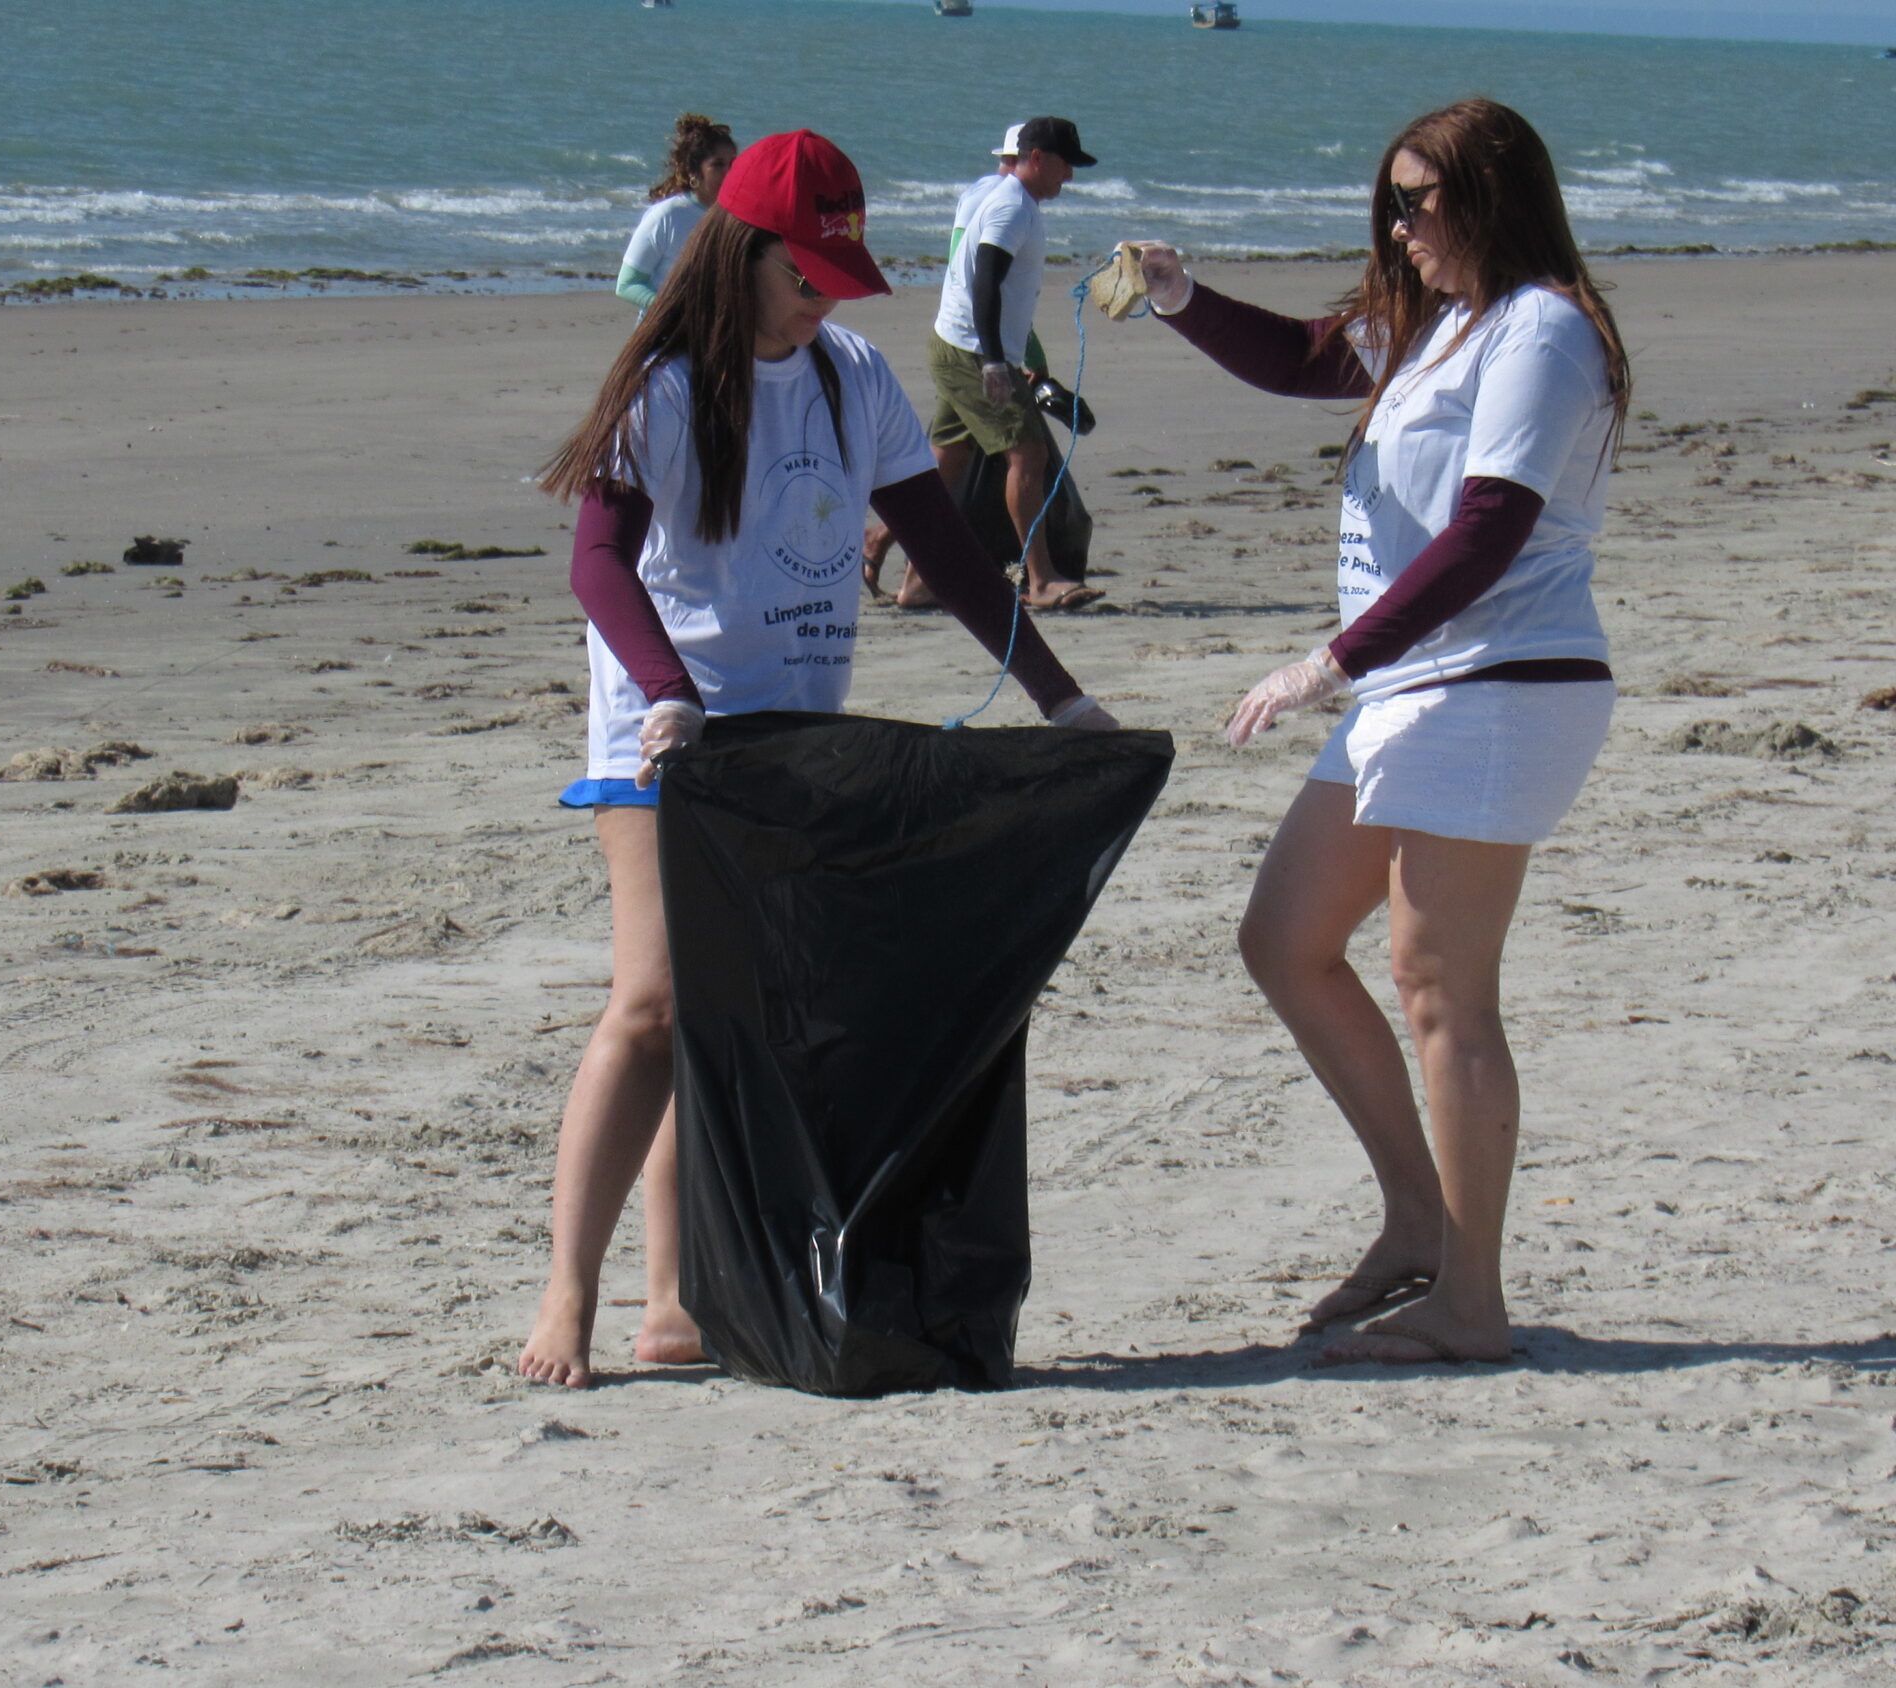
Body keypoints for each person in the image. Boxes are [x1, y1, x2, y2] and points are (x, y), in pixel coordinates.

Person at [521, 130, 1120, 1389]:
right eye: (808, 276)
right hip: (664, 739)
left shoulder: (851, 376)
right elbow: (595, 566)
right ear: (742, 253)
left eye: (839, 279)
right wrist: (671, 693)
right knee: (655, 1000)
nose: (824, 301)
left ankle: (674, 1298)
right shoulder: (669, 390)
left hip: (793, 739)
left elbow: (948, 558)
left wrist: (1060, 698)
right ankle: (566, 1292)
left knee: (728, 1017)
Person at [1126, 97, 1628, 1367]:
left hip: (1499, 679)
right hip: (1417, 684)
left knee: (1440, 986)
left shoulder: (1542, 330)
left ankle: (1472, 1297)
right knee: (1286, 937)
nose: (1399, 227)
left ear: (1491, 198)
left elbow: (1491, 525)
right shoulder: (1439, 323)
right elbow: (1303, 358)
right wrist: (1185, 297)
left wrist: (1327, 660)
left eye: (1422, 201)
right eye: (1390, 203)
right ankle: (1416, 1218)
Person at [864, 116, 1102, 611]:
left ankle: (905, 570)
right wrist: (995, 363)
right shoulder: (1011, 207)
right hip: (972, 350)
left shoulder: (1018, 203)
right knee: (1027, 453)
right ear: (1037, 158)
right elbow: (984, 281)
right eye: (1065, 165)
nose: (1071, 177)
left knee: (946, 463)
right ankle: (1039, 580)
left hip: (964, 345)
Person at [613, 113, 739, 312]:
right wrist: (674, 314)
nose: (728, 173)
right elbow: (627, 284)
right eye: (718, 165)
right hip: (664, 338)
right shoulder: (668, 215)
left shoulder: (738, 218)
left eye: (733, 164)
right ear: (694, 172)